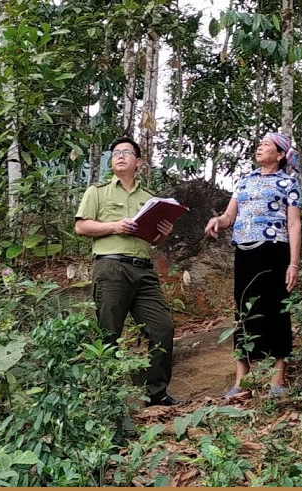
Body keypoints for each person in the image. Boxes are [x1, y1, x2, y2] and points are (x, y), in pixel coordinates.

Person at [74, 136, 180, 407]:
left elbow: (152, 240)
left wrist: (163, 235)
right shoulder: (97, 192)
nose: (120, 156)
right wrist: (114, 226)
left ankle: (156, 393)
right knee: (109, 332)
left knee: (162, 328)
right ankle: (106, 397)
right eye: (115, 153)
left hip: (144, 271)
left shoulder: (151, 199)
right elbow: (82, 227)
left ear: (139, 162)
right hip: (111, 266)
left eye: (126, 152)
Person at [204, 133, 302, 398]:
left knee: (276, 309)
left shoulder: (288, 182)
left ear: (280, 155)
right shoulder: (244, 181)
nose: (260, 148)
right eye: (259, 145)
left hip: (275, 251)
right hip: (245, 252)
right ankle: (241, 380)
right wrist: (217, 221)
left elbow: (293, 224)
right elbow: (228, 216)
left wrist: (293, 264)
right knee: (243, 312)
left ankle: (277, 377)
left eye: (267, 145)